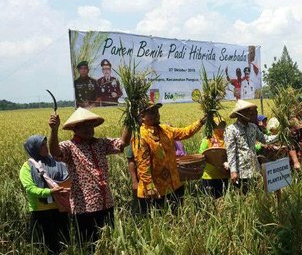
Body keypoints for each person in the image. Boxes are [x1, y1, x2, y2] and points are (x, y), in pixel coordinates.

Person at [48, 108, 131, 245]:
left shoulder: (101, 143)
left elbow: (123, 143)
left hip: (106, 202)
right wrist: (54, 129)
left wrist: (130, 118)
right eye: (84, 126)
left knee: (109, 242)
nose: (89, 129)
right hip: (84, 207)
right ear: (75, 129)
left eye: (91, 125)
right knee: (90, 245)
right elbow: (55, 152)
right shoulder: (69, 146)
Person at [132, 102, 205, 213]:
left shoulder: (165, 129)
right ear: (142, 116)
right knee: (160, 223)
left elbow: (185, 132)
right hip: (156, 190)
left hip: (175, 184)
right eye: (151, 112)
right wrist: (150, 187)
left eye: (157, 111)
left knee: (177, 218)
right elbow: (143, 165)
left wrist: (201, 122)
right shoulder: (141, 136)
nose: (156, 114)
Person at [20, 135, 70, 255]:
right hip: (41, 213)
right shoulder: (27, 168)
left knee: (65, 243)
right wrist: (50, 192)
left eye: (45, 144)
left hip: (60, 209)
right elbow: (30, 189)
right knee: (47, 246)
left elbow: (67, 177)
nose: (45, 147)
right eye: (42, 145)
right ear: (34, 148)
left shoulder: (56, 162)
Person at [224, 100, 277, 194]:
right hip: (241, 172)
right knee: (244, 197)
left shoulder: (253, 127)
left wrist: (279, 136)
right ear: (239, 114)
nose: (250, 114)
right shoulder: (231, 130)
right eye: (247, 112)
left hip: (255, 170)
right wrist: (233, 171)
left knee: (257, 196)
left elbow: (264, 139)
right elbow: (230, 151)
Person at [199, 118, 229, 198]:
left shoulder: (227, 139)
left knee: (222, 200)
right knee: (211, 200)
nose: (221, 128)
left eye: (223, 126)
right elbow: (201, 154)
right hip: (210, 176)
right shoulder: (208, 139)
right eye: (219, 126)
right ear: (213, 127)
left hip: (223, 175)